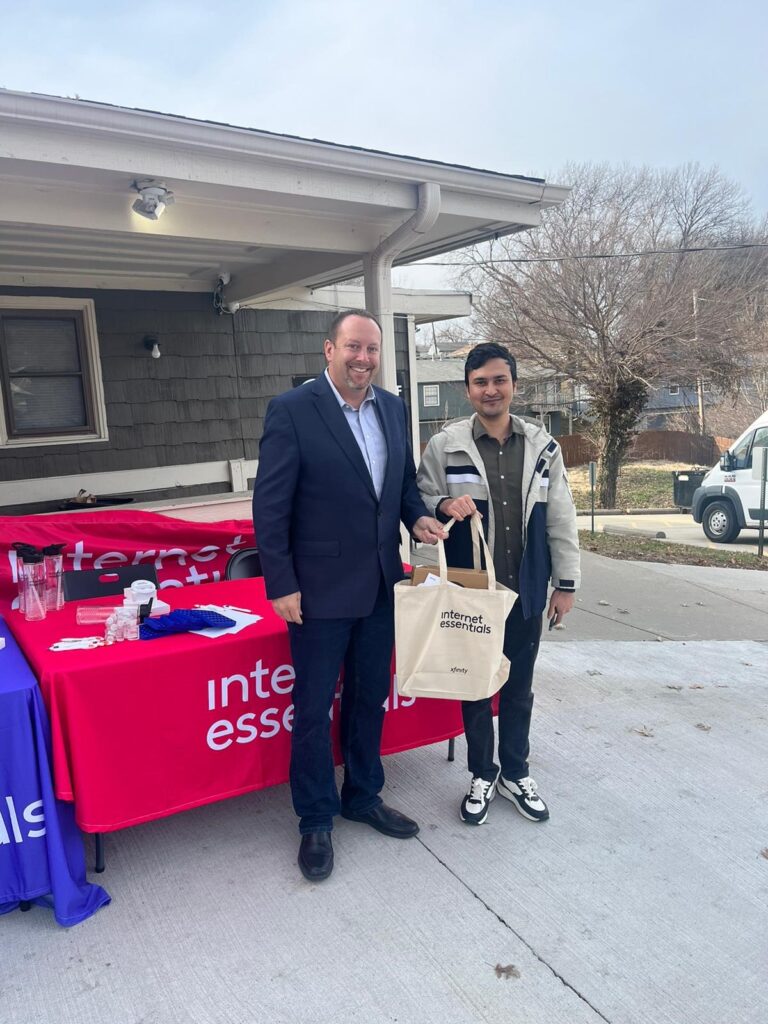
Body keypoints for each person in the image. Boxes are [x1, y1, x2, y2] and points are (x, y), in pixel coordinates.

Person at [252, 309, 446, 881]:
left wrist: (419, 520)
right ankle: (316, 818)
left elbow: (402, 486)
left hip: (382, 583)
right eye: (353, 348)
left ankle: (362, 796)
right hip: (316, 593)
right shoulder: (292, 411)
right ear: (328, 350)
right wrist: (281, 583)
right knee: (312, 711)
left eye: (372, 350)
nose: (363, 359)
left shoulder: (390, 406)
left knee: (369, 699)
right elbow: (271, 507)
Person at [417, 342, 580, 827]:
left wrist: (565, 584)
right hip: (473, 592)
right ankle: (482, 773)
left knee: (519, 688)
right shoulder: (445, 445)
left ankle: (515, 771)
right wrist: (444, 503)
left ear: (513, 385)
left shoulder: (543, 446)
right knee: (474, 687)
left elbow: (561, 517)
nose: (490, 390)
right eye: (480, 382)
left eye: (499, 380)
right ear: (467, 389)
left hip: (526, 589)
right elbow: (420, 496)